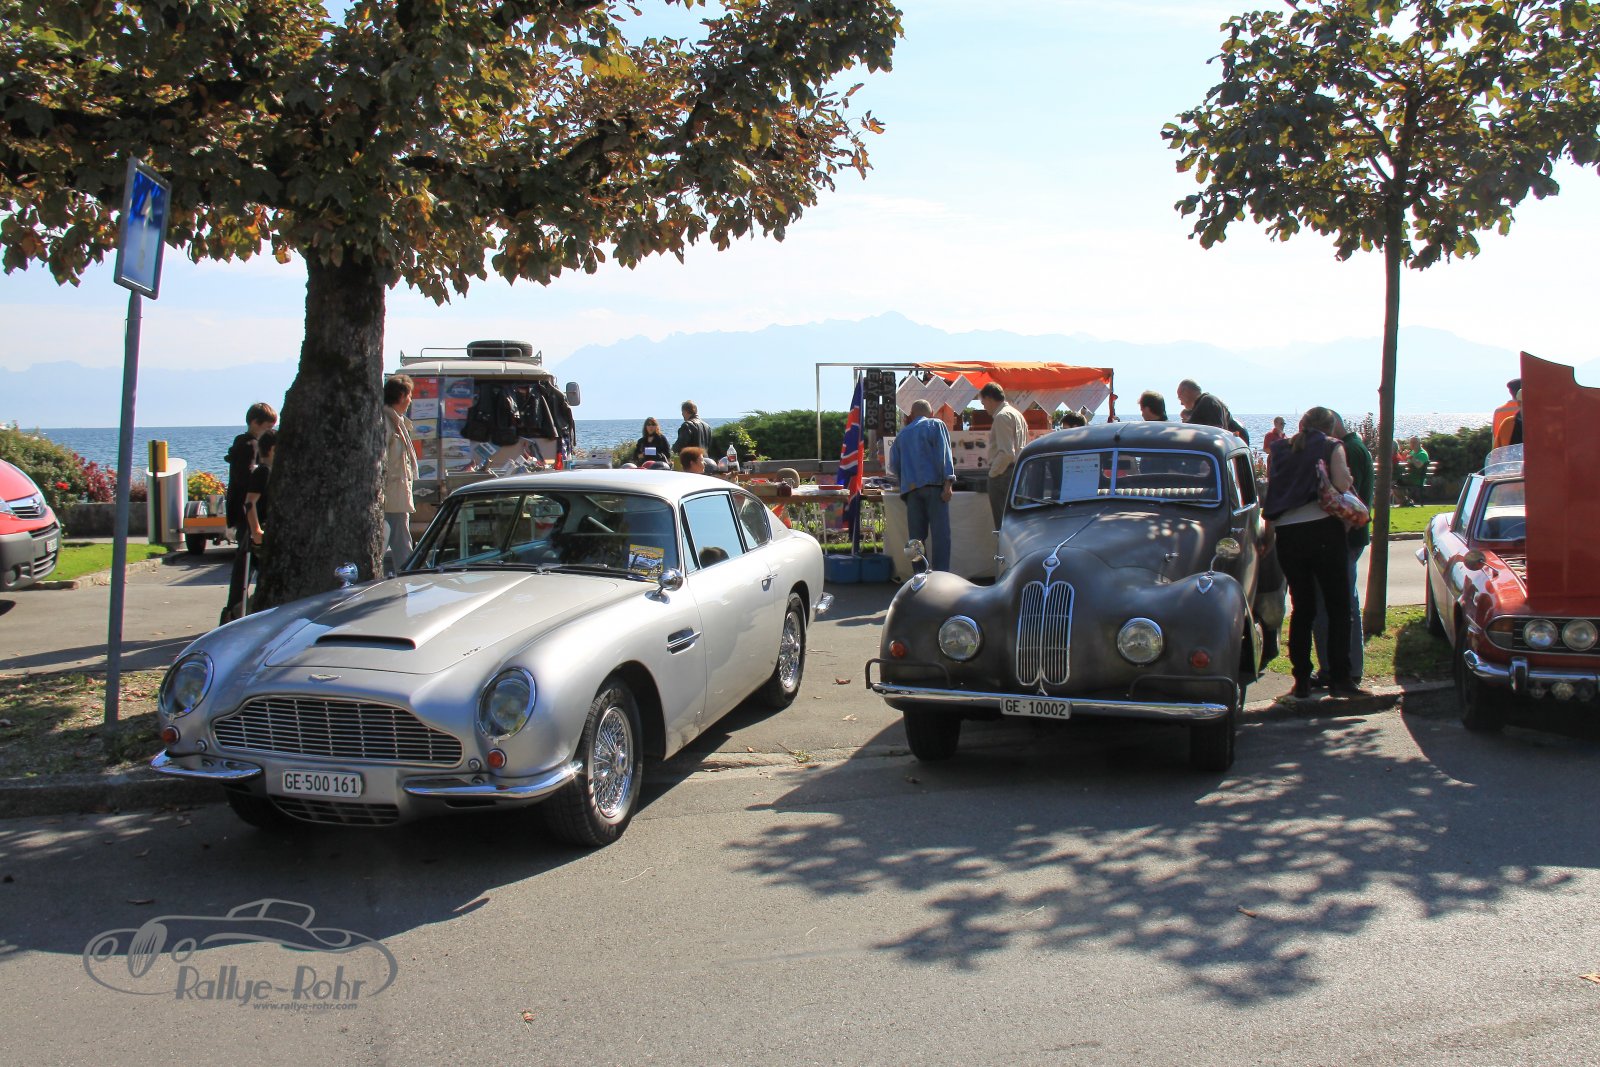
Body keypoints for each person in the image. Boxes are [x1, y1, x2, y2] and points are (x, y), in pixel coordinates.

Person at [1261, 407, 1370, 700]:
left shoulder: (1279, 449)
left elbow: (1274, 493)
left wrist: (1268, 537)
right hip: (1322, 529)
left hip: (1287, 534)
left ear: (1301, 425)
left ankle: (1301, 680)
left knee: (1302, 609)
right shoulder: (1332, 445)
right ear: (1331, 427)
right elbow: (1342, 483)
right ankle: (1340, 678)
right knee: (1338, 607)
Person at [1311, 412, 1372, 687]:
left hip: (1346, 537)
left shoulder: (1346, 450)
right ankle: (1341, 667)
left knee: (1341, 604)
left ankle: (1344, 668)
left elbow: (1343, 493)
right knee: (1341, 602)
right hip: (1350, 537)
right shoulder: (1353, 447)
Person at [220, 401, 277, 624]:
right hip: (249, 514)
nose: (269, 432)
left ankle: (239, 608)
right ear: (255, 423)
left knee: (248, 564)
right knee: (246, 563)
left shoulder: (243, 444)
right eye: (267, 427)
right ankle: (235, 611)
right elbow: (245, 480)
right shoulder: (249, 446)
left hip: (245, 512)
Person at [889, 400, 956, 571]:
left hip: (911, 491)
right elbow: (944, 455)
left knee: (916, 539)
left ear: (911, 415)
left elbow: (894, 466)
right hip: (934, 487)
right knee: (940, 536)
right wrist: (948, 482)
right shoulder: (936, 425)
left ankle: (919, 574)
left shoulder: (901, 435)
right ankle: (941, 575)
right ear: (932, 413)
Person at [382, 374, 418, 573]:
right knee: (401, 544)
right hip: (391, 495)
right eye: (410, 395)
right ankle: (406, 578)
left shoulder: (398, 421)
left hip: (397, 495)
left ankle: (406, 576)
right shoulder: (387, 422)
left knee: (401, 542)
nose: (411, 400)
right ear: (402, 395)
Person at [979, 382, 1027, 529]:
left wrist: (993, 473)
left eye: (983, 403)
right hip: (1017, 471)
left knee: (1003, 524)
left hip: (1003, 474)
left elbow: (1006, 453)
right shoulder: (1017, 414)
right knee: (1016, 523)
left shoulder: (1001, 416)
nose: (984, 407)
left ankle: (1004, 545)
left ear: (989, 398)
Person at [1176, 379, 1249, 443]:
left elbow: (1217, 432)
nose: (1181, 403)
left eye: (1180, 398)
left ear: (1187, 393)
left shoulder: (1208, 402)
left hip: (1238, 441)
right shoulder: (1205, 402)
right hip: (1237, 440)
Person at [1492, 378, 1521, 447]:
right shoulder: (1527, 409)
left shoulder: (1499, 411)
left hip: (1504, 450)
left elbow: (1495, 436)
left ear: (1510, 391)